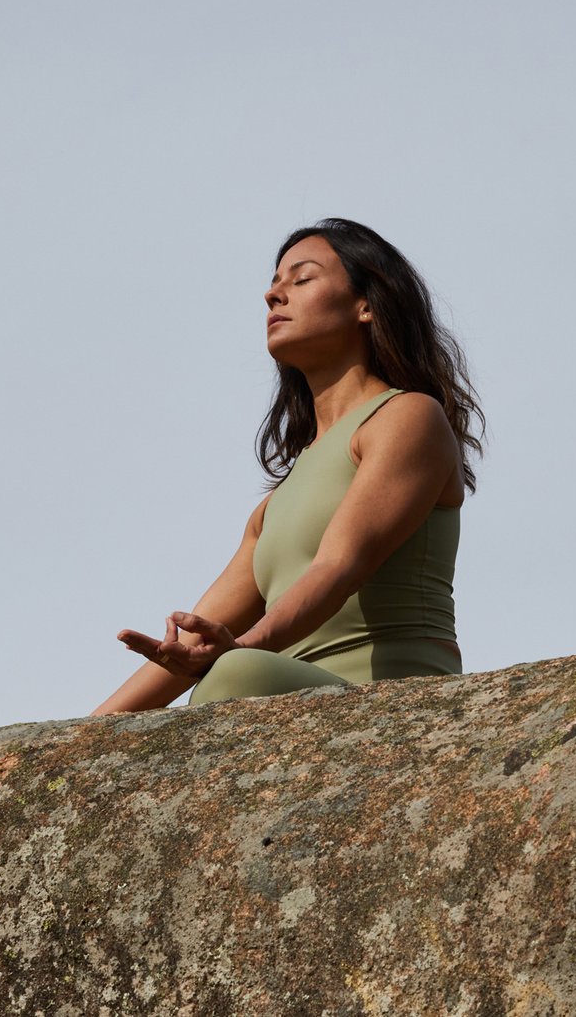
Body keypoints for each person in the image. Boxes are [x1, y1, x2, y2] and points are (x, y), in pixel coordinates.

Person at [92, 218, 484, 713]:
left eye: (302, 279)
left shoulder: (406, 416)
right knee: (229, 671)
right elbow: (191, 645)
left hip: (392, 704)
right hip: (282, 693)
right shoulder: (274, 506)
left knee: (234, 671)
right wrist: (51, 747)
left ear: (367, 304)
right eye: (274, 284)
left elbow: (341, 565)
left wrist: (242, 651)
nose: (273, 296)